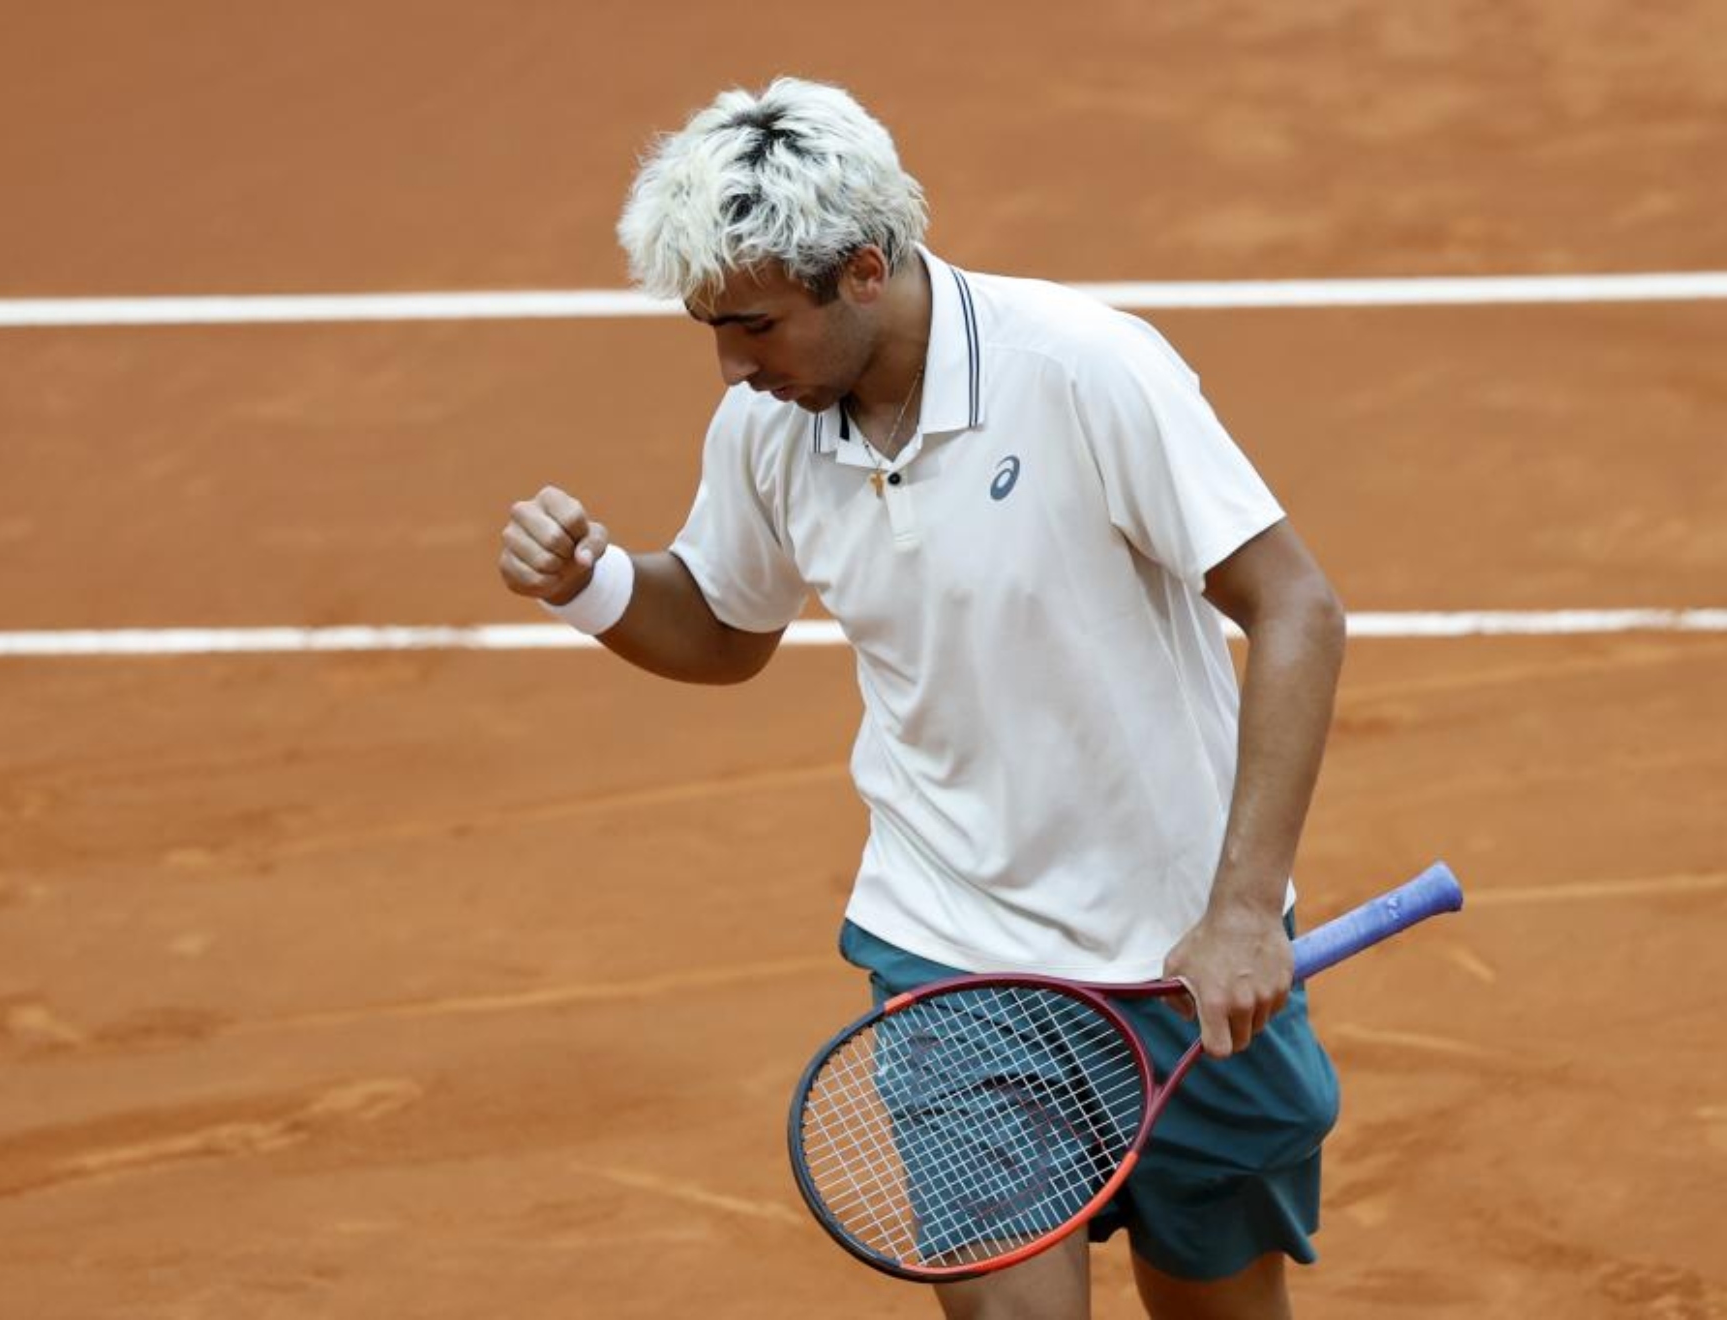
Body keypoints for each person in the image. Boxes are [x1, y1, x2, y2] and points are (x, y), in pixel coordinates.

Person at [497, 76, 1347, 1320]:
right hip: (955, 956)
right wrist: (597, 585)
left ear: (859, 269)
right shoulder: (770, 430)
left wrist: (1238, 914)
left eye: (752, 326)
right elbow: (729, 629)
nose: (733, 367)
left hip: (1180, 953)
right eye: (713, 333)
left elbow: (1297, 610)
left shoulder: (1081, 370)